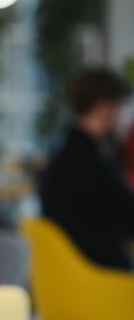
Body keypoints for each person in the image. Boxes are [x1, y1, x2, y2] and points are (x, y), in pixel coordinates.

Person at [39, 67, 134, 271]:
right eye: (119, 108)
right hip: (102, 280)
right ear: (102, 108)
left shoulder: (62, 157)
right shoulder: (92, 163)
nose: (122, 118)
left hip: (66, 278)